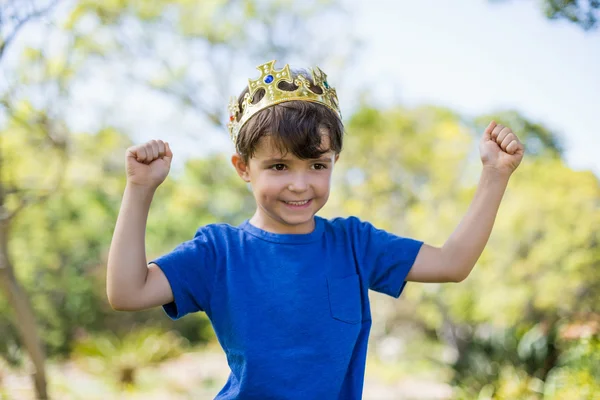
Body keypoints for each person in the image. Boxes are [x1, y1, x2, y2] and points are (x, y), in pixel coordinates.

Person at [106, 60, 524, 399]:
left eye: (317, 166)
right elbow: (127, 292)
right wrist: (141, 189)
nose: (300, 183)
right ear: (243, 169)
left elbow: (452, 263)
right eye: (278, 166)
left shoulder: (355, 244)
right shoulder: (219, 253)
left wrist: (494, 176)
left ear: (334, 163)